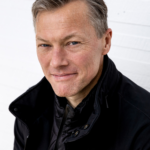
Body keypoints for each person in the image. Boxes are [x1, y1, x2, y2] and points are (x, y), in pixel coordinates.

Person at [9, 0, 150, 150]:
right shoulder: (29, 110)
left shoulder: (144, 128)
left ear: (106, 42)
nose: (56, 62)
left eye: (73, 43)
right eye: (45, 45)